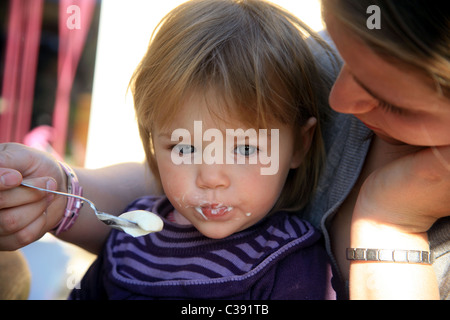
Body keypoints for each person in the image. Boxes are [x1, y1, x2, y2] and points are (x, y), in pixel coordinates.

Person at [0, 0, 448, 299]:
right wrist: (60, 192)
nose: (338, 99)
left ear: (301, 144)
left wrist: (391, 224)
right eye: (185, 147)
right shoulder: (130, 241)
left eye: (247, 149)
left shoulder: (290, 262)